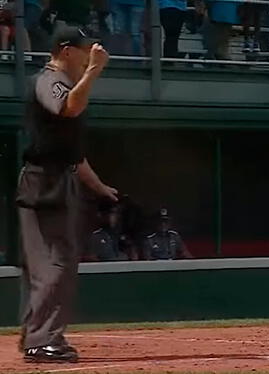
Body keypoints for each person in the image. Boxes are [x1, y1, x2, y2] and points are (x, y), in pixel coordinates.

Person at [16, 25, 118, 363]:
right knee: (53, 264)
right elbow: (68, 108)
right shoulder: (49, 79)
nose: (92, 53)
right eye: (86, 48)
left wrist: (99, 186)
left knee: (55, 262)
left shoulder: (69, 85)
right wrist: (94, 72)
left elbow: (73, 154)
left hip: (58, 178)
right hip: (43, 182)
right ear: (67, 50)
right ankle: (42, 340)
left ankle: (37, 335)